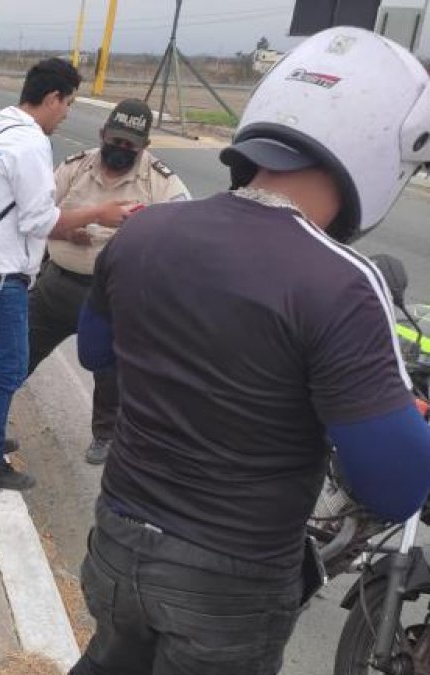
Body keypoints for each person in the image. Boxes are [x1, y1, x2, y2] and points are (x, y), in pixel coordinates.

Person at [71, 27, 430, 675]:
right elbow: (396, 484)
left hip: (118, 541)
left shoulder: (145, 230)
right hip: (227, 583)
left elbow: (98, 353)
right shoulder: (343, 281)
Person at [0, 58, 131, 490]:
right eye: (68, 103)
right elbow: (38, 220)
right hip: (2, 273)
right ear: (52, 98)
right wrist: (99, 214)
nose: (67, 113)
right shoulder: (30, 143)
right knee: (8, 367)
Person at [28, 99, 190, 465]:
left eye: (130, 145)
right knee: (16, 353)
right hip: (58, 285)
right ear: (102, 134)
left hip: (115, 298)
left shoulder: (161, 183)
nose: (120, 149)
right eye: (115, 141)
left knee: (111, 372)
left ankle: (106, 436)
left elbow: (180, 240)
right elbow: (35, 215)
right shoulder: (75, 167)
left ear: (145, 146)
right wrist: (67, 231)